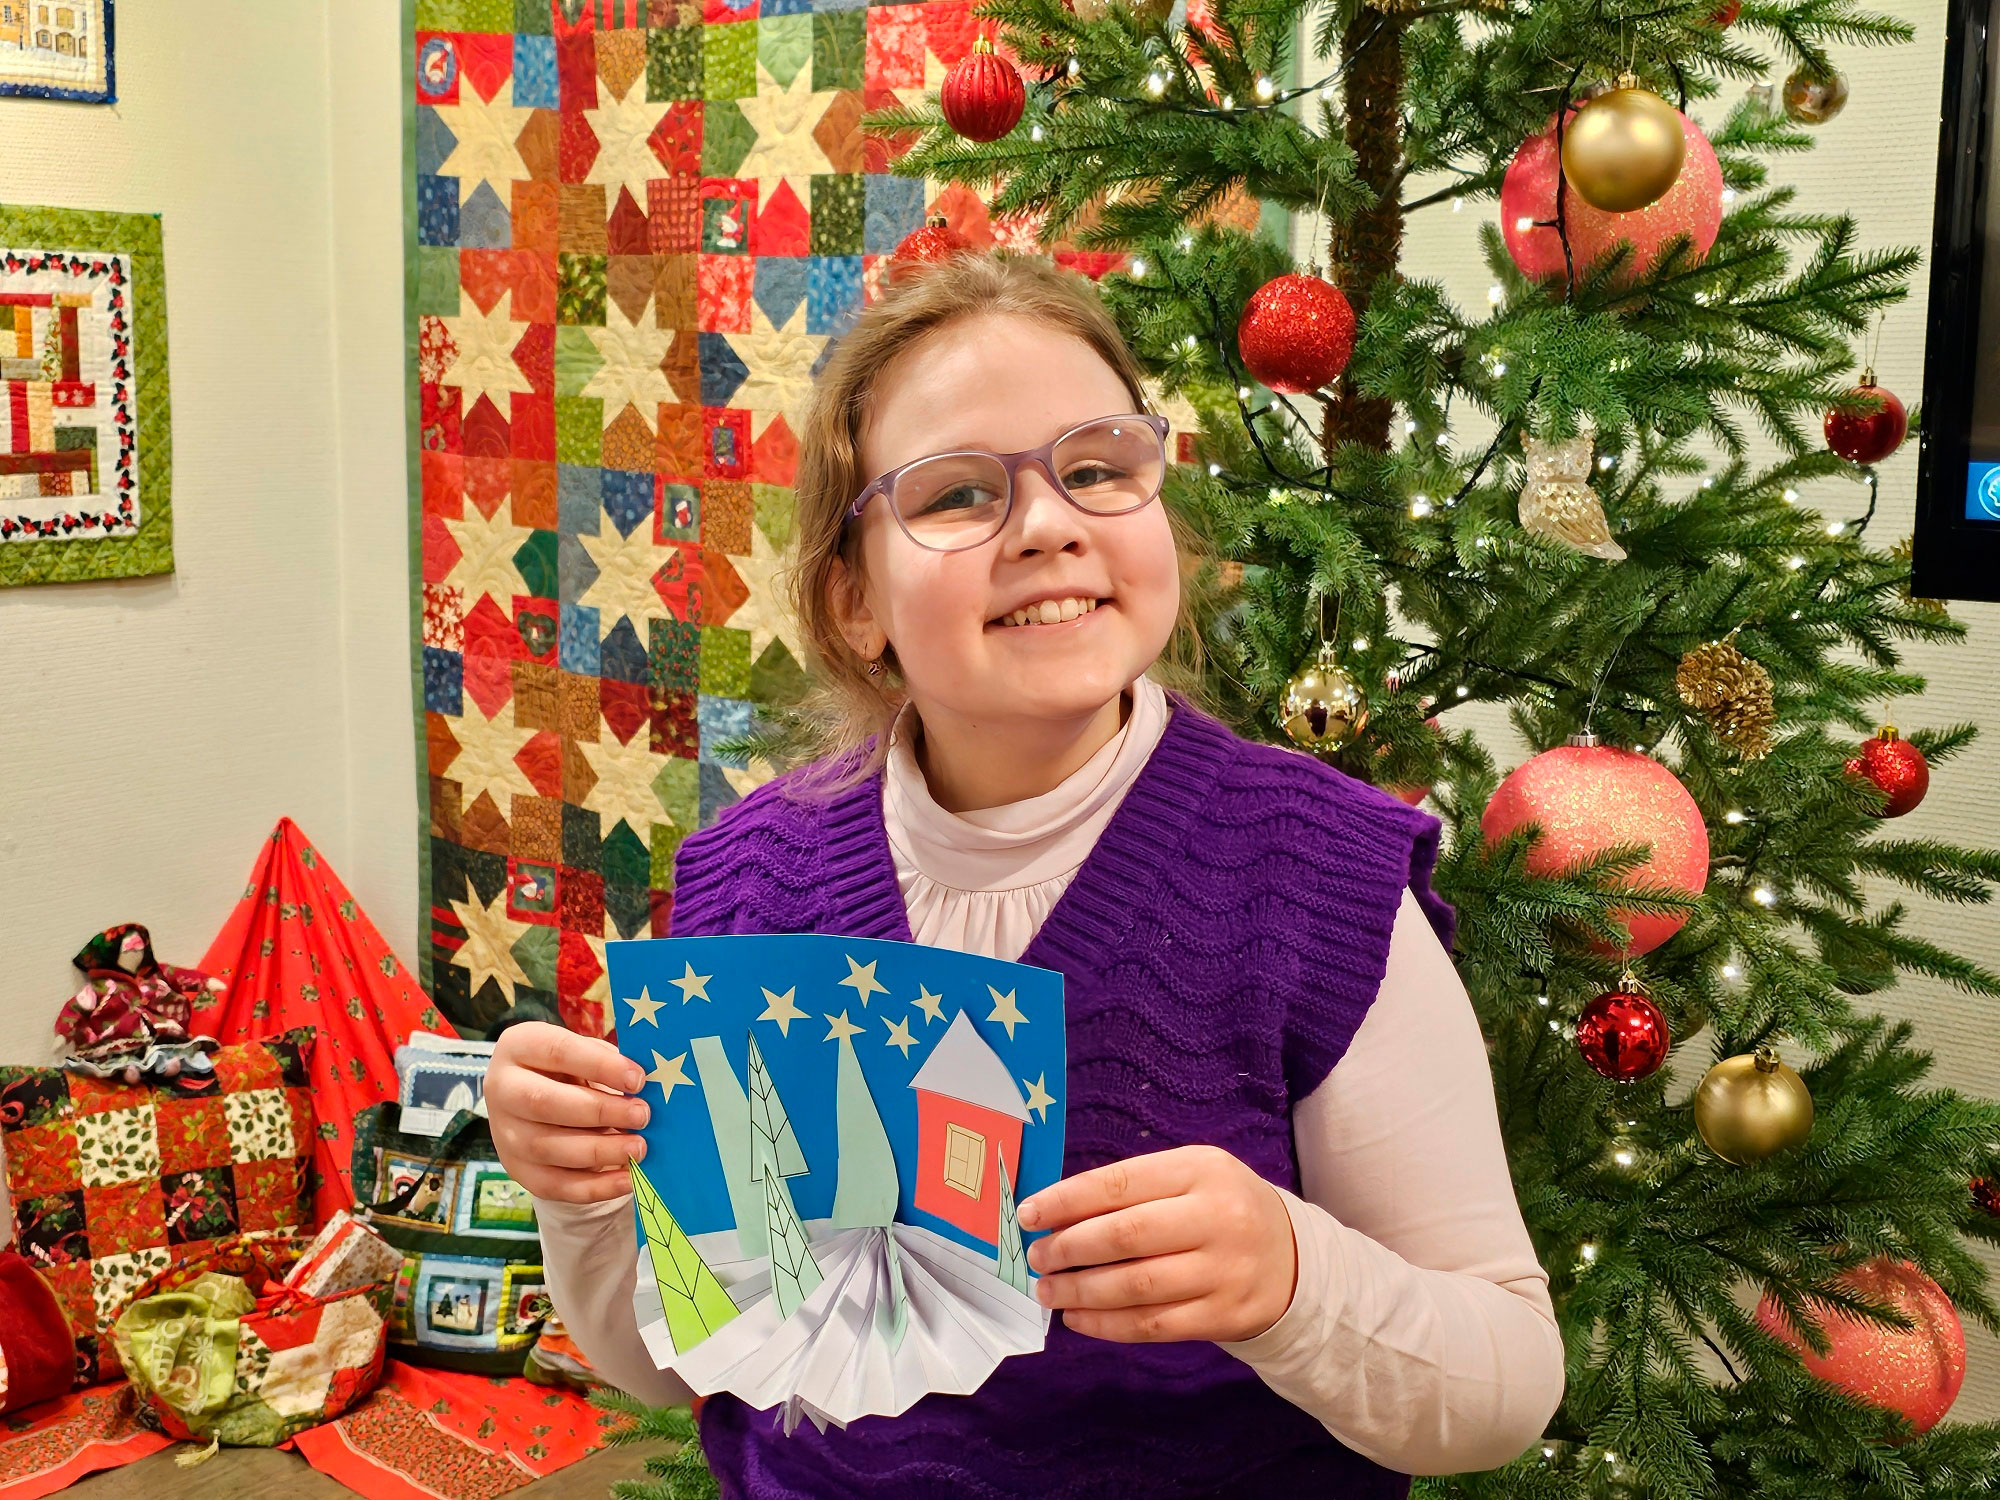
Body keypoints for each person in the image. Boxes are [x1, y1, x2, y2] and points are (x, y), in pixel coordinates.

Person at [485, 252, 1566, 1498]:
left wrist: (1291, 1278)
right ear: (853, 601)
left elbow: (1500, 1388)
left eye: (1096, 468)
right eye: (956, 493)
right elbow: (675, 1363)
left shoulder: (1316, 880)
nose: (1049, 523)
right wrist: (579, 1200)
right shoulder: (744, 881)